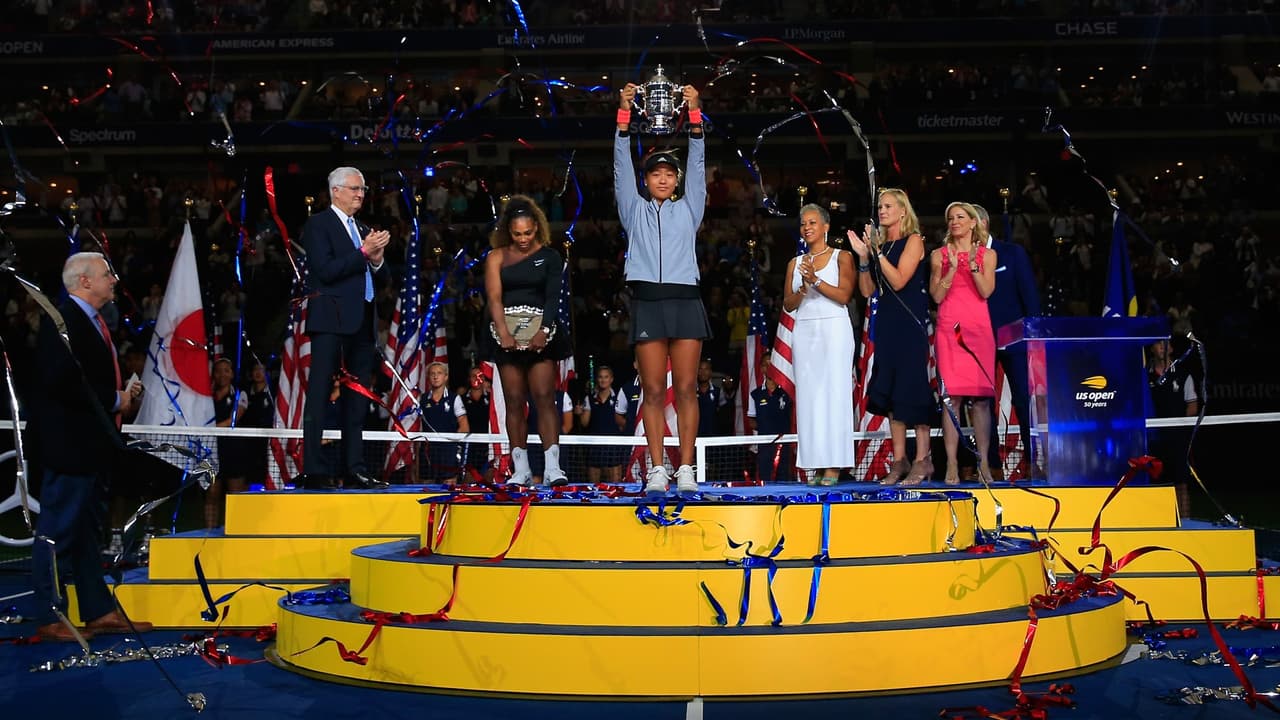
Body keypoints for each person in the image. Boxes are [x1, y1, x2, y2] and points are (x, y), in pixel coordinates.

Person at [29, 252, 153, 641]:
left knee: (86, 534)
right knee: (57, 532)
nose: (114, 279)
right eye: (106, 274)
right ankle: (51, 615)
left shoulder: (91, 321)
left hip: (92, 448)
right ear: (85, 281)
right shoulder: (62, 322)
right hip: (70, 447)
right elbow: (63, 382)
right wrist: (116, 399)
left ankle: (98, 611)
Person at [614, 81, 707, 494]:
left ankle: (685, 467)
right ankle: (656, 468)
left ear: (677, 180)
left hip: (686, 301)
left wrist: (694, 114)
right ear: (647, 180)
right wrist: (623, 114)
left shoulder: (691, 207)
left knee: (686, 389)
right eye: (656, 174)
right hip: (648, 302)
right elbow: (620, 166)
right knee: (652, 390)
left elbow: (699, 162)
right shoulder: (632, 209)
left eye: (670, 174)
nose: (664, 179)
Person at [300, 166, 391, 491]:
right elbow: (325, 271)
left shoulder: (364, 229)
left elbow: (383, 278)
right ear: (335, 191)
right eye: (354, 188)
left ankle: (355, 469)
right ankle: (315, 469)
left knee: (357, 399)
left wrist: (377, 258)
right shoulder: (318, 224)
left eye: (363, 189)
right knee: (319, 394)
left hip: (362, 322)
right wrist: (363, 252)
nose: (360, 194)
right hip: (330, 320)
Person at [484, 194, 572, 487]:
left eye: (528, 233)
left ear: (537, 228)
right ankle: (520, 470)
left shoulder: (551, 257)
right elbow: (494, 297)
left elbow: (552, 297)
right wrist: (504, 333)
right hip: (506, 337)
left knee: (545, 398)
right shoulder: (496, 257)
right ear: (508, 231)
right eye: (517, 234)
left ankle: (552, 468)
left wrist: (543, 330)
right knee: (513, 401)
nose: (523, 239)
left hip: (542, 336)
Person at [849, 188, 934, 486]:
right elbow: (867, 290)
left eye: (888, 206)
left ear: (902, 211)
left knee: (913, 390)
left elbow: (898, 280)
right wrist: (864, 258)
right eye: (880, 207)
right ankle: (899, 460)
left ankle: (923, 459)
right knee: (892, 394)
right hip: (885, 326)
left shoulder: (914, 240)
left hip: (909, 327)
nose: (882, 211)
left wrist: (876, 252)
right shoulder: (880, 247)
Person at [783, 204, 855, 485]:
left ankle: (834, 465)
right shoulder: (795, 263)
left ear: (826, 226)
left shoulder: (842, 257)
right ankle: (815, 463)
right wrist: (803, 286)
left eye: (812, 222)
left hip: (834, 328)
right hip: (805, 330)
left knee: (834, 395)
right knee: (810, 398)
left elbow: (844, 295)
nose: (807, 227)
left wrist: (815, 280)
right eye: (803, 223)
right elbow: (789, 304)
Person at [929, 201, 998, 485]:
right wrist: (950, 270)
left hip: (978, 331)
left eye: (960, 217)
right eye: (951, 218)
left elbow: (986, 291)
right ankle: (952, 464)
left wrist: (972, 268)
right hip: (950, 330)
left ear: (972, 222)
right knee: (952, 398)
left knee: (980, 401)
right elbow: (936, 296)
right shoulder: (939, 255)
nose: (954, 222)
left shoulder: (987, 255)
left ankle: (984, 463)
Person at [974, 205, 1040, 480]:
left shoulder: (1012, 253)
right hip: (979, 343)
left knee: (1024, 402)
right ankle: (991, 466)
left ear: (983, 223)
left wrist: (1034, 338)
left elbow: (1030, 298)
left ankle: (1034, 462)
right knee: (982, 404)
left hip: (1015, 343)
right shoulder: (962, 257)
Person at [209, 358, 244, 529]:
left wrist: (208, 428)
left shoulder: (239, 395)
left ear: (232, 374)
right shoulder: (206, 396)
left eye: (226, 370)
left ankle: (234, 532)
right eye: (218, 371)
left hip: (233, 451)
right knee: (211, 495)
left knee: (235, 497)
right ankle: (209, 533)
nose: (222, 374)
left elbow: (233, 420)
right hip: (211, 450)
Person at [420, 361, 469, 485]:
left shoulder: (454, 398)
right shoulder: (422, 399)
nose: (435, 377)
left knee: (449, 485)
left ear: (446, 377)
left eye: (439, 373)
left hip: (448, 452)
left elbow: (464, 427)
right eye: (432, 374)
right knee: (427, 486)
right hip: (428, 451)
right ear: (428, 377)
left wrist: (453, 445)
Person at [577, 365, 628, 483]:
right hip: (595, 445)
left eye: (606, 377)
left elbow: (623, 421)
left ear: (611, 379)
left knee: (615, 485)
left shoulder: (619, 397)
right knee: (593, 485)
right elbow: (584, 423)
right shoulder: (589, 399)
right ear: (597, 379)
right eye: (600, 377)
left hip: (614, 445)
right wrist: (580, 413)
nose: (603, 380)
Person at [748, 353, 793, 483]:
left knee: (784, 477)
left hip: (785, 443)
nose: (768, 368)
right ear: (761, 368)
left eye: (771, 364)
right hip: (765, 444)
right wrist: (766, 429)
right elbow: (751, 420)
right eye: (765, 365)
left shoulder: (788, 391)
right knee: (765, 477)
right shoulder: (755, 394)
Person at [460, 366, 492, 481]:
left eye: (480, 376)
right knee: (468, 480)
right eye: (474, 376)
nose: (477, 379)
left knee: (489, 481)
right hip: (469, 448)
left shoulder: (492, 399)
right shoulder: (461, 399)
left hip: (488, 447)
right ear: (469, 379)